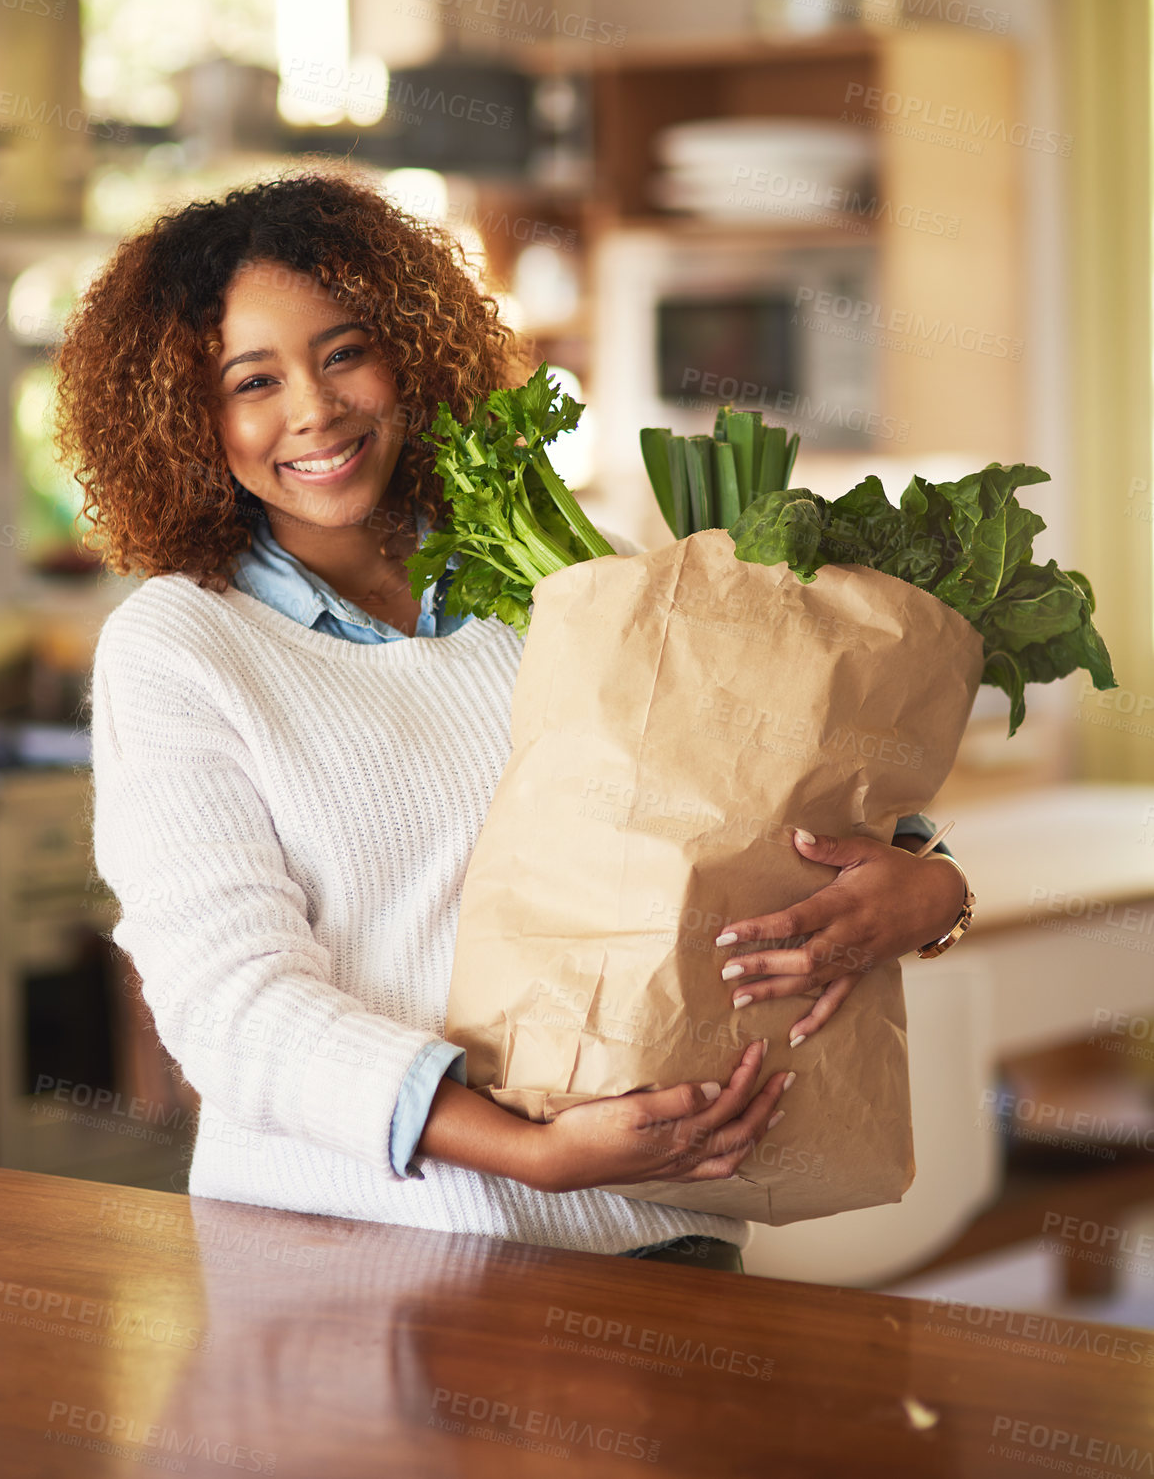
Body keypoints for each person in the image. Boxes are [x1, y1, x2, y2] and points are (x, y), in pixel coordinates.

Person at [55, 170, 968, 1273]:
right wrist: (522, 1151)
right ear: (186, 419)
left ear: (411, 349)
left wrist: (929, 886)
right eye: (252, 379)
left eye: (345, 351)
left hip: (658, 1231)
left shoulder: (579, 583)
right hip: (357, 1264)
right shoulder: (183, 646)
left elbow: (764, 808)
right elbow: (231, 1004)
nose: (314, 407)